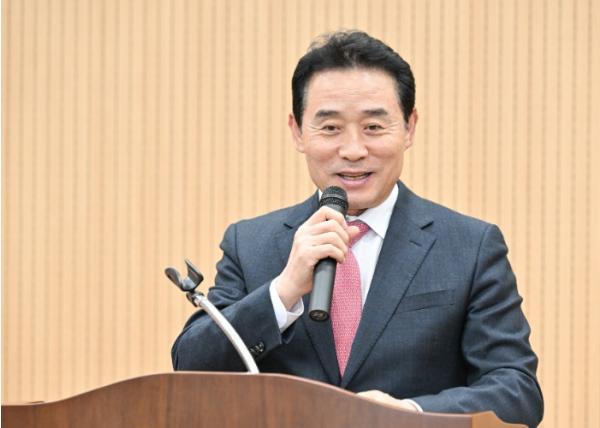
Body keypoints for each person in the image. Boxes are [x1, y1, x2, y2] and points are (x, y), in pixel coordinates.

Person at [171, 30, 543, 427]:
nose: (353, 150)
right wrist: (283, 291)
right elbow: (191, 367)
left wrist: (409, 415)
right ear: (297, 131)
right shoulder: (250, 245)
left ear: (410, 127)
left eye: (373, 127)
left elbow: (516, 391)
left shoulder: (470, 247)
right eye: (330, 128)